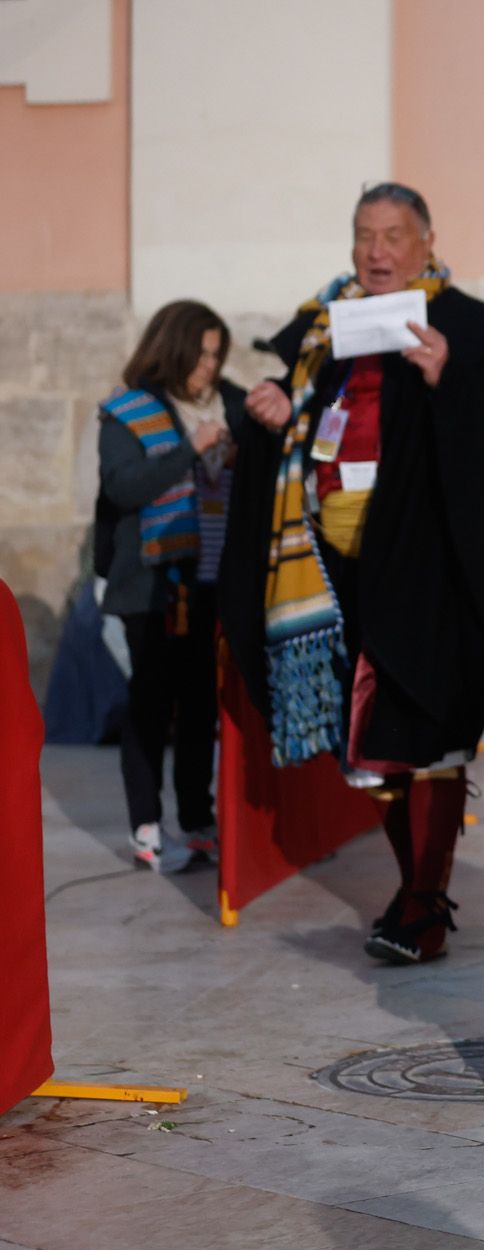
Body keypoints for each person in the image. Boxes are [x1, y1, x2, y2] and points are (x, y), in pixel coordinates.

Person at [223, 183, 484, 961]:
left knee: (427, 727)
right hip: (337, 575)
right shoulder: (318, 334)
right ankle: (413, 889)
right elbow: (295, 427)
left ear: (427, 242)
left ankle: (424, 902)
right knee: (376, 741)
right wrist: (271, 413)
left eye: (393, 236)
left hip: (430, 573)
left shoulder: (472, 331)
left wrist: (447, 381)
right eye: (365, 235)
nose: (377, 251)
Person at [97, 301, 250, 871]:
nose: (210, 366)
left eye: (217, 354)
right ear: (175, 348)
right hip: (154, 584)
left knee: (202, 704)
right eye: (201, 353)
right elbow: (123, 487)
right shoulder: (129, 412)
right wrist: (191, 448)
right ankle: (145, 822)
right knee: (152, 704)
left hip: (214, 577)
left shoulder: (231, 404)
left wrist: (240, 455)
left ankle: (197, 819)